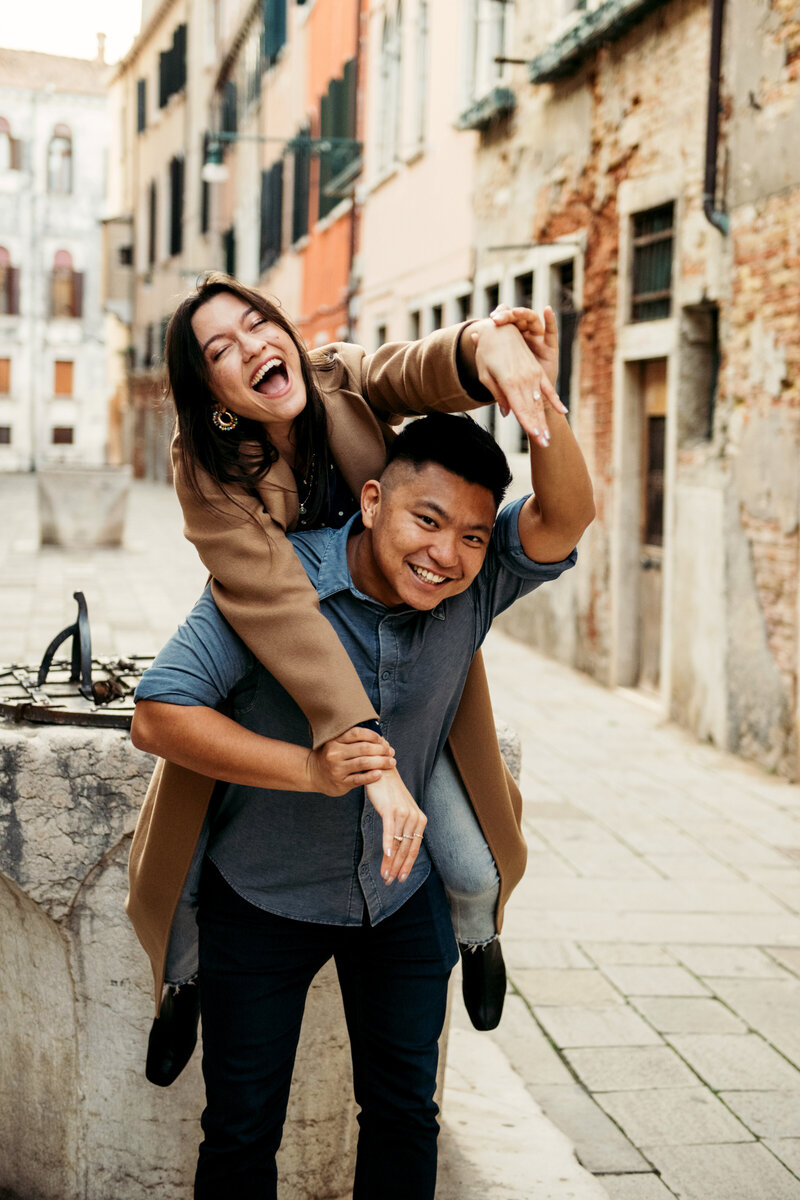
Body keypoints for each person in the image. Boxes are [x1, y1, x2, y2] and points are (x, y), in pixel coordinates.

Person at [130, 409, 594, 1199]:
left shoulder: (472, 590)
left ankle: (480, 939)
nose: (447, 556)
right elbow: (157, 714)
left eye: (474, 537)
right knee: (241, 1132)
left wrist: (540, 405)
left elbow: (565, 515)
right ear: (373, 499)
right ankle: (180, 990)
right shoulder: (276, 586)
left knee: (406, 1115)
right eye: (428, 520)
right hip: (262, 896)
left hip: (401, 901)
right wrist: (309, 768)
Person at [126, 273, 566, 1088]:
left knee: (472, 863)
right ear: (213, 392)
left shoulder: (337, 377)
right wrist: (354, 750)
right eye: (221, 349)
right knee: (182, 872)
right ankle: (182, 987)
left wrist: (484, 344)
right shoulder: (207, 465)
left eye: (257, 323)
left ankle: (476, 938)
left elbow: (418, 368)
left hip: (391, 642)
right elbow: (276, 600)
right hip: (275, 637)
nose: (252, 345)